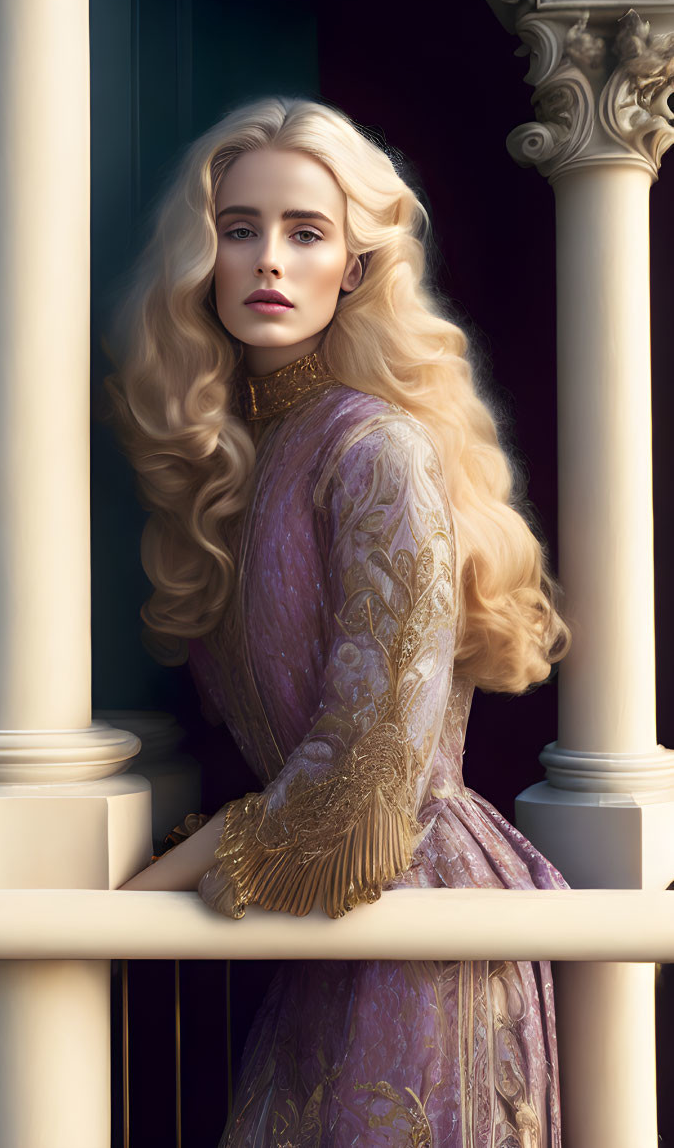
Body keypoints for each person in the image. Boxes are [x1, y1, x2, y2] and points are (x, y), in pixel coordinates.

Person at [108, 96, 569, 1148]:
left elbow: (372, 772)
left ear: (353, 267)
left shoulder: (374, 449)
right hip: (328, 928)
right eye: (238, 229)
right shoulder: (254, 454)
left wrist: (138, 893)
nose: (268, 259)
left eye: (305, 232)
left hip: (417, 927)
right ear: (202, 256)